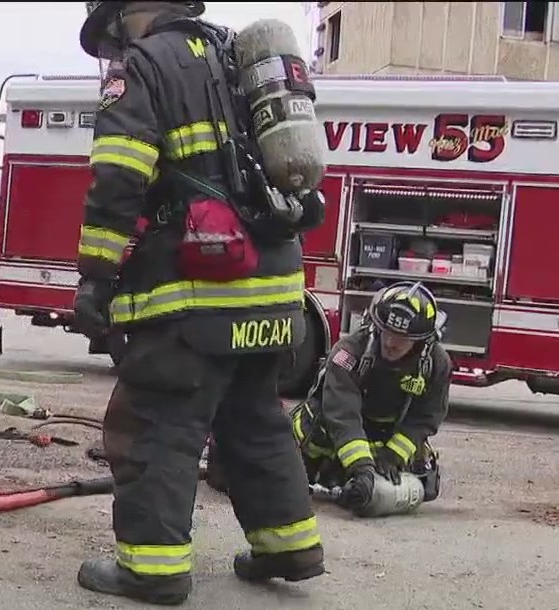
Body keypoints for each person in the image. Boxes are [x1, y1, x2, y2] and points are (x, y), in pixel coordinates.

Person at [72, 1, 325, 605]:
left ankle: (151, 570)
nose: (113, 45)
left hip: (198, 287)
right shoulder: (235, 54)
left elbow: (118, 179)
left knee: (154, 424)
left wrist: (95, 279)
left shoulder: (143, 64)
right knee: (254, 420)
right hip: (275, 290)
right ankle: (289, 546)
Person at [290, 281, 450, 513]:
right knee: (311, 431)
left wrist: (394, 455)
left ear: (423, 340)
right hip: (335, 430)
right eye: (387, 331)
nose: (390, 343)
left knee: (424, 485)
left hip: (387, 433)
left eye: (401, 338)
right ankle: (314, 469)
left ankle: (350, 477)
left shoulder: (436, 363)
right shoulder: (349, 352)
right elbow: (342, 414)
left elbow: (426, 417)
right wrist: (361, 466)